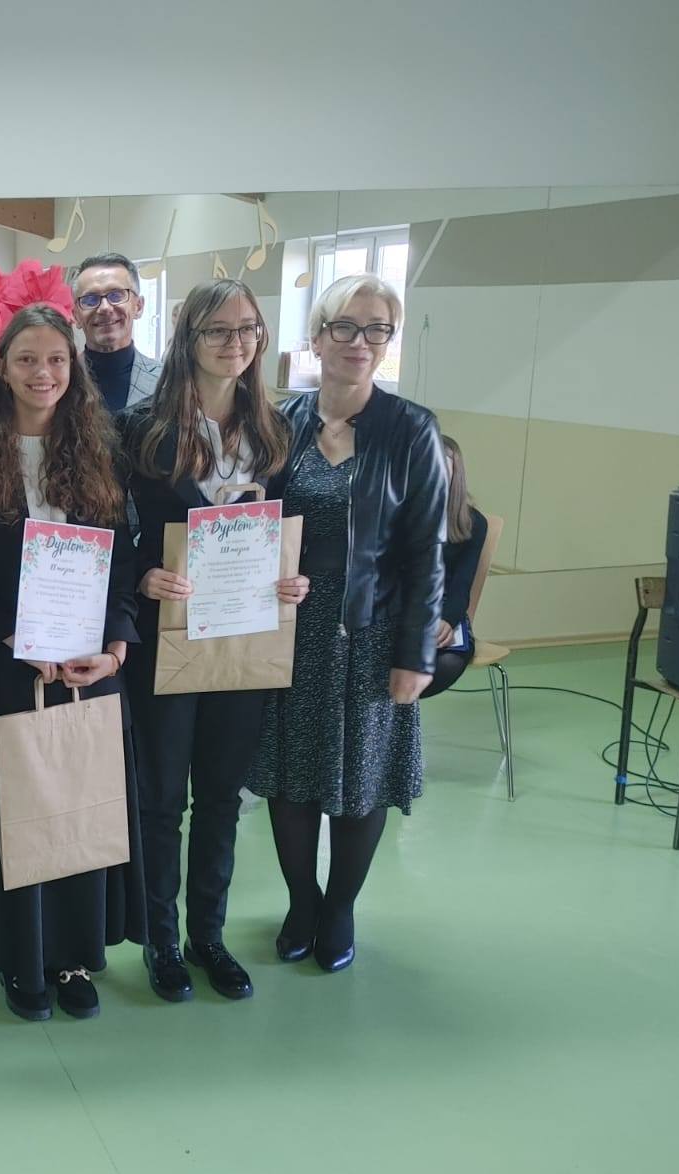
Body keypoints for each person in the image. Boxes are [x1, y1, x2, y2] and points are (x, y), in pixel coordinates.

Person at [0, 303, 145, 1022]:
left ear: (73, 367)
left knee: (81, 808)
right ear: (1, 368)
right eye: (26, 358)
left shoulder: (101, 451)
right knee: (17, 812)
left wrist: (115, 644)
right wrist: (7, 638)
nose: (43, 372)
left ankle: (74, 957)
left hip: (89, 666)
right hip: (10, 665)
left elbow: (124, 558)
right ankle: (20, 959)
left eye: (56, 359)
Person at [247, 273, 447, 973]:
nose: (361, 342)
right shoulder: (281, 422)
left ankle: (339, 908)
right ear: (316, 337)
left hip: (370, 634)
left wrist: (415, 654)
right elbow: (253, 523)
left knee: (360, 780)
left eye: (377, 329)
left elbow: (427, 550)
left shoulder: (411, 428)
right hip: (289, 630)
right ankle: (301, 901)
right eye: (346, 327)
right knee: (289, 776)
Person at [119, 280, 309, 1003]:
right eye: (218, 331)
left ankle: (209, 935)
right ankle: (161, 939)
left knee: (223, 797)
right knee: (162, 798)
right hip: (170, 636)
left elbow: (290, 528)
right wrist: (141, 575)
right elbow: (109, 525)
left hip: (245, 636)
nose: (236, 343)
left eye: (248, 329)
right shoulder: (142, 428)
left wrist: (294, 579)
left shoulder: (275, 430)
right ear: (188, 338)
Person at [422, 435, 488, 698]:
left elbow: (462, 586)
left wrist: (446, 620)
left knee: (445, 664)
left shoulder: (474, 523)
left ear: (454, 473)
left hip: (445, 610)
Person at [71, 253, 161, 414]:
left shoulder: (168, 381)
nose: (104, 308)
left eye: (116, 295)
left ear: (138, 306)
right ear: (76, 316)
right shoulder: (58, 381)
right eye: (90, 299)